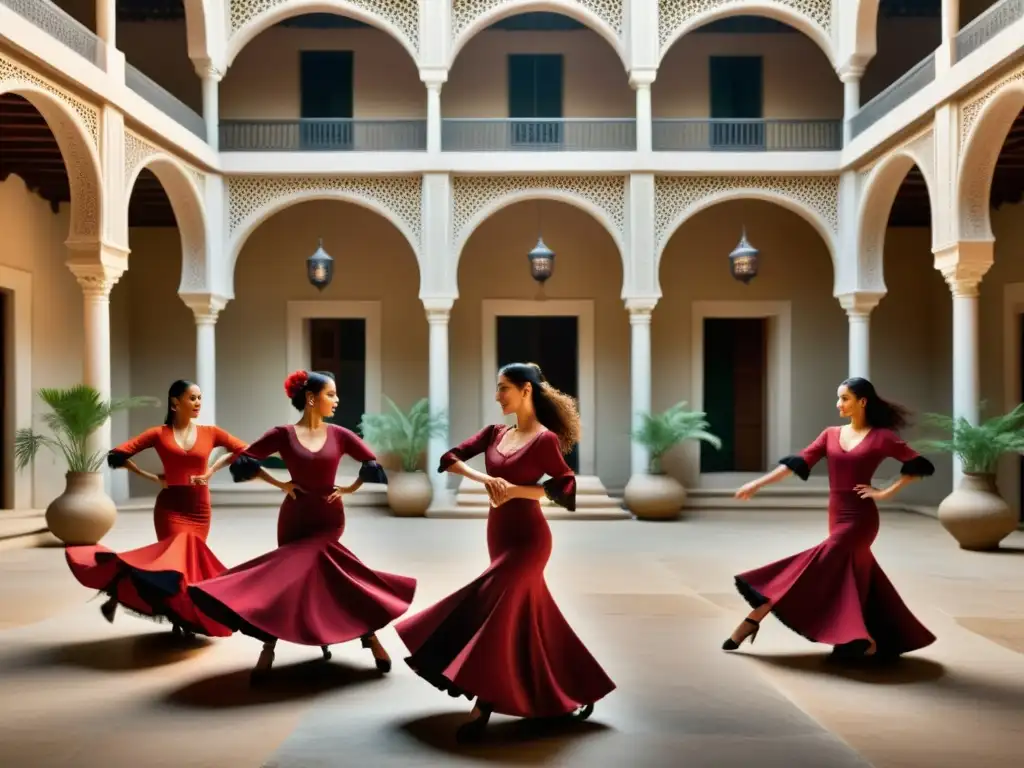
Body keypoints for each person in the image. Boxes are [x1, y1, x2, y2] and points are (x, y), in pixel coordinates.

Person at [395, 362, 616, 743]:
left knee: (496, 605)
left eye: (503, 389)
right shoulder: (496, 433)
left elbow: (565, 489)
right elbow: (449, 458)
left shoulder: (545, 440)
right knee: (526, 614)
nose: (497, 396)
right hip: (498, 531)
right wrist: (486, 479)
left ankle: (484, 702)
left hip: (530, 539)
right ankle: (567, 687)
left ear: (526, 390)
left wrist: (513, 490)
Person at [188, 370, 416, 684]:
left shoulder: (340, 434)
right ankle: (268, 646)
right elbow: (245, 459)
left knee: (335, 579)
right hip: (295, 518)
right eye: (331, 394)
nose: (336, 401)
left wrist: (348, 490)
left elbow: (371, 464)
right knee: (288, 583)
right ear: (311, 398)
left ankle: (370, 636)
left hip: (328, 518)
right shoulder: (282, 434)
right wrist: (279, 483)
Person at [724, 377, 937, 660]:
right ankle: (863, 639)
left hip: (861, 519)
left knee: (813, 567)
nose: (839, 404)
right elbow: (796, 464)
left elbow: (918, 464)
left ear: (862, 401)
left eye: (845, 398)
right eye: (838, 398)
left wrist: (885, 493)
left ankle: (752, 619)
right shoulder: (830, 434)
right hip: (836, 515)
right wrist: (758, 484)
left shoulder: (881, 437)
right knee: (851, 575)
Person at [66, 380, 285, 638]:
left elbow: (244, 450)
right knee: (173, 561)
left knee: (188, 565)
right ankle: (163, 608)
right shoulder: (158, 434)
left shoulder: (210, 432)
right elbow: (119, 454)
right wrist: (154, 478)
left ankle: (185, 618)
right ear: (175, 402)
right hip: (170, 508)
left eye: (200, 398)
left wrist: (211, 471)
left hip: (199, 509)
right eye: (192, 398)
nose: (198, 403)